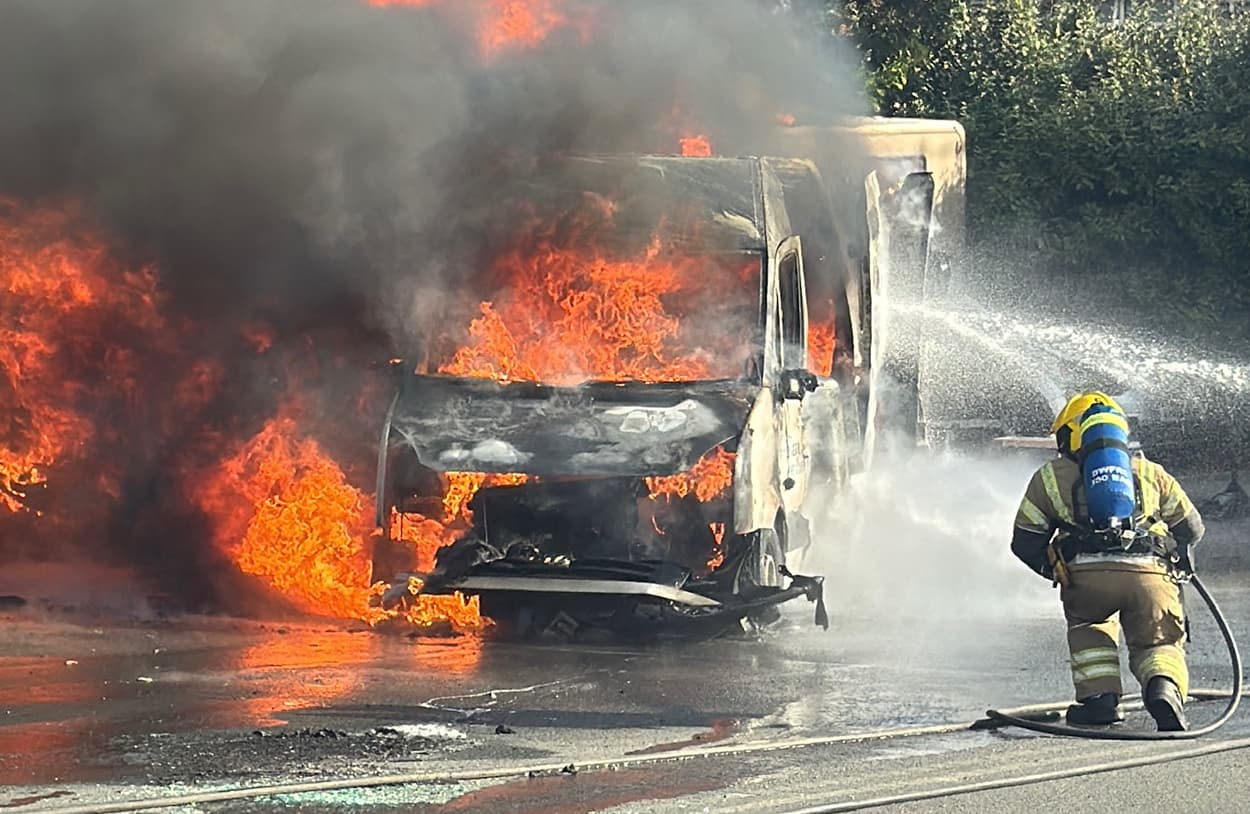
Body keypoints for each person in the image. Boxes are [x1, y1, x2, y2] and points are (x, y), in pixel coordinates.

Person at [1011, 391, 1205, 731]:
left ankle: (1100, 702)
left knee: (1090, 629)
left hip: (1087, 579)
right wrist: (1180, 557)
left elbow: (1024, 540)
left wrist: (1053, 568)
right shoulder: (1149, 471)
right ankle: (1164, 689)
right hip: (1151, 573)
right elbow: (1191, 527)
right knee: (1157, 639)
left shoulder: (1049, 476)